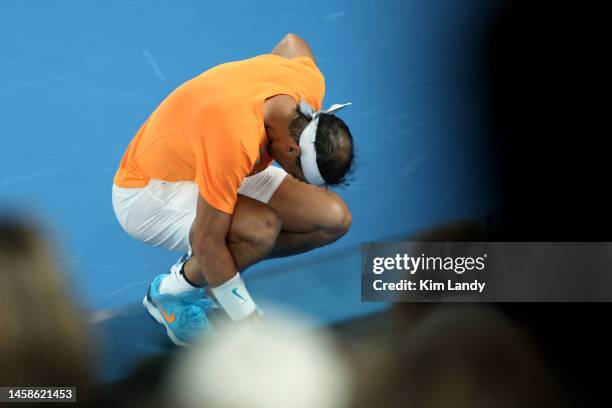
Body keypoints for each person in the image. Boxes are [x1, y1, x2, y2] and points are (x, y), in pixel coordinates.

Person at [112, 33, 354, 345]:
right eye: (301, 174)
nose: (300, 182)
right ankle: (170, 298)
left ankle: (191, 278)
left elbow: (292, 43)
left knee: (334, 220)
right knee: (259, 231)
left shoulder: (305, 88)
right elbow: (207, 243)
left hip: (218, 161)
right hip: (149, 193)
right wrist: (250, 323)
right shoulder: (233, 138)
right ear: (293, 150)